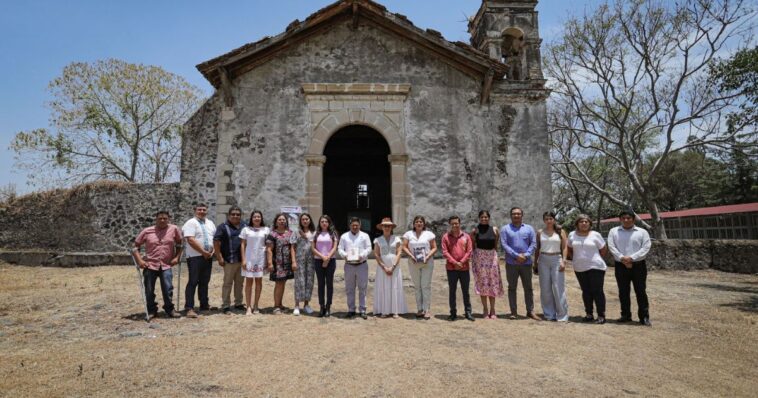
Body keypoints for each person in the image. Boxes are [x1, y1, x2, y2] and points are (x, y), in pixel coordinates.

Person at [132, 211, 183, 319]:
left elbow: (179, 244)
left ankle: (170, 309)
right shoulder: (147, 231)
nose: (162, 220)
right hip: (150, 265)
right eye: (160, 218)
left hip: (166, 265)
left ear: (169, 219)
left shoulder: (174, 229)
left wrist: (177, 257)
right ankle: (151, 310)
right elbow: (135, 246)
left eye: (165, 218)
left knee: (168, 288)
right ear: (156, 219)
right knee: (149, 289)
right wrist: (140, 261)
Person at [608, 210, 652, 326]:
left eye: (628, 218)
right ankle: (625, 315)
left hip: (638, 266)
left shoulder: (642, 232)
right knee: (623, 291)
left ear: (633, 219)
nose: (626, 220)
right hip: (620, 266)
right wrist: (622, 258)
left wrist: (631, 258)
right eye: (623, 218)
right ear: (620, 219)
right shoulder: (614, 231)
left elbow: (646, 247)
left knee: (641, 291)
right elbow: (611, 247)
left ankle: (644, 317)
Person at [567, 214, 609, 324]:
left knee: (597, 291)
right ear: (577, 224)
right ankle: (589, 314)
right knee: (586, 291)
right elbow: (569, 249)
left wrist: (595, 258)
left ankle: (601, 315)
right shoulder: (572, 235)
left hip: (596, 266)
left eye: (586, 222)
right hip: (579, 267)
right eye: (581, 221)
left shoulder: (595, 235)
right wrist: (576, 259)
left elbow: (603, 249)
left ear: (590, 224)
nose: (584, 223)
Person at [500, 207, 539, 320]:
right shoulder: (505, 229)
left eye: (518, 214)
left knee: (528, 288)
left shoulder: (529, 228)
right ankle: (513, 312)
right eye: (514, 214)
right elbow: (504, 245)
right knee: (512, 287)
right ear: (511, 215)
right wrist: (516, 256)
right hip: (511, 263)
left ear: (522, 215)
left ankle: (530, 311)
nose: (516, 216)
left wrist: (525, 255)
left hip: (526, 263)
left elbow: (533, 244)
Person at [182, 203, 217, 318]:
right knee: (193, 281)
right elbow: (190, 240)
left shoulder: (210, 223)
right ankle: (189, 307)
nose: (202, 211)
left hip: (208, 257)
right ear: (195, 210)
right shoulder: (191, 223)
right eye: (199, 209)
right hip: (195, 257)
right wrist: (203, 252)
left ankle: (204, 305)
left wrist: (212, 251)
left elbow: (214, 238)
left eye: (204, 209)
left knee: (204, 281)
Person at [534, 211, 569, 322]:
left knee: (558, 287)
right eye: (546, 219)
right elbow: (537, 249)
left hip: (556, 259)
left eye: (551, 219)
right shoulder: (540, 232)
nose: (549, 221)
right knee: (545, 288)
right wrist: (535, 263)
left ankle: (562, 315)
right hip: (543, 260)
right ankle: (549, 314)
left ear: (554, 219)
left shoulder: (560, 231)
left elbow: (564, 247)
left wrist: (563, 261)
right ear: (544, 220)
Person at [470, 210, 504, 319]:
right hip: (480, 257)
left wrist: (492, 254)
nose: (484, 219)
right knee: (483, 283)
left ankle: (493, 309)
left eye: (486, 217)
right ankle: (485, 309)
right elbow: (473, 244)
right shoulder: (475, 231)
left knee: (493, 282)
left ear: (489, 218)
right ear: (479, 218)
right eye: (482, 217)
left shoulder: (494, 230)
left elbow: (496, 244)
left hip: (491, 256)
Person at [402, 216, 437, 320]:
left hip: (427, 262)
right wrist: (411, 256)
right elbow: (404, 246)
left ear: (424, 224)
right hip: (413, 262)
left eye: (421, 222)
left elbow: (434, 247)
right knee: (417, 286)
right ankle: (419, 309)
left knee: (425, 286)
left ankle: (427, 310)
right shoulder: (408, 234)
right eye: (417, 222)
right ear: (413, 224)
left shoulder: (429, 234)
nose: (419, 223)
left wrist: (427, 256)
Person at [213, 206, 246, 314]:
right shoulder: (222, 227)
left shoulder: (244, 226)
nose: (235, 216)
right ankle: (226, 305)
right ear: (229, 215)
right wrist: (219, 258)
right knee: (227, 283)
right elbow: (216, 242)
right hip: (229, 260)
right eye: (233, 214)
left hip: (242, 260)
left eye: (238, 214)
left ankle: (238, 303)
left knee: (239, 283)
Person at [373, 217, 407, 318]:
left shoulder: (397, 239)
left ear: (391, 227)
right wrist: (384, 267)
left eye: (388, 226)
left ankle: (395, 310)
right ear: (382, 227)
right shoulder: (377, 240)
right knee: (383, 287)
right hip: (382, 268)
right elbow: (376, 254)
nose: (387, 227)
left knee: (394, 287)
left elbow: (399, 253)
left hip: (394, 267)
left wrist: (393, 267)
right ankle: (384, 310)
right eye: (385, 226)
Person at [442, 216, 474, 322]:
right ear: (450, 225)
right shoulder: (446, 237)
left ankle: (468, 312)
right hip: (451, 268)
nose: (455, 225)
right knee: (452, 291)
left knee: (466, 291)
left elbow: (469, 251)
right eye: (452, 224)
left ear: (460, 224)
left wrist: (461, 262)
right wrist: (455, 262)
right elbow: (445, 252)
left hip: (464, 268)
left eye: (456, 223)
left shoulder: (466, 236)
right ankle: (453, 313)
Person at [338, 217, 372, 319]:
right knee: (349, 288)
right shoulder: (344, 236)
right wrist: (345, 255)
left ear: (360, 225)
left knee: (363, 288)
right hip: (349, 265)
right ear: (350, 225)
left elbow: (369, 248)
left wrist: (362, 254)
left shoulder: (365, 236)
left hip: (362, 265)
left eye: (357, 225)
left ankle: (362, 310)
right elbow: (340, 248)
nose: (355, 227)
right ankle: (351, 309)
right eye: (353, 225)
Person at [266, 213, 297, 315]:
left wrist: (293, 261)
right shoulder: (272, 234)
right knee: (278, 284)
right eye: (280, 219)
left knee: (283, 283)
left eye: (283, 220)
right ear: (276, 221)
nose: (282, 221)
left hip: (286, 263)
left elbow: (292, 248)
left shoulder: (290, 233)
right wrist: (270, 263)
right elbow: (269, 250)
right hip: (277, 264)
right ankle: (276, 306)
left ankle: (280, 304)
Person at [240, 210, 269, 315]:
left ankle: (256, 305)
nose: (257, 218)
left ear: (261, 218)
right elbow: (242, 245)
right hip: (249, 258)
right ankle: (248, 306)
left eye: (259, 217)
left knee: (258, 282)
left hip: (260, 258)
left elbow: (269, 245)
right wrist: (243, 259)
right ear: (251, 218)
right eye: (255, 217)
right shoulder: (246, 230)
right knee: (248, 283)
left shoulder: (266, 230)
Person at [311, 215, 339, 317]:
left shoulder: (333, 233)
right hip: (318, 261)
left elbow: (334, 247)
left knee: (329, 284)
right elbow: (313, 248)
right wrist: (322, 257)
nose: (324, 223)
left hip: (331, 261)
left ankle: (328, 306)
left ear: (329, 223)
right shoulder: (315, 234)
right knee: (321, 284)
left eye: (326, 221)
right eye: (322, 221)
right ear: (319, 223)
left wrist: (327, 258)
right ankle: (321, 306)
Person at [292, 213, 316, 316]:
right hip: (299, 260)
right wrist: (293, 261)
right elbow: (292, 247)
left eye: (307, 219)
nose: (305, 221)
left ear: (310, 220)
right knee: (299, 282)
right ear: (300, 221)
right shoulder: (296, 232)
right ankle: (297, 305)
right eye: (303, 219)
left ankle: (306, 305)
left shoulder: (314, 233)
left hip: (311, 261)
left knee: (309, 281)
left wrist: (307, 237)